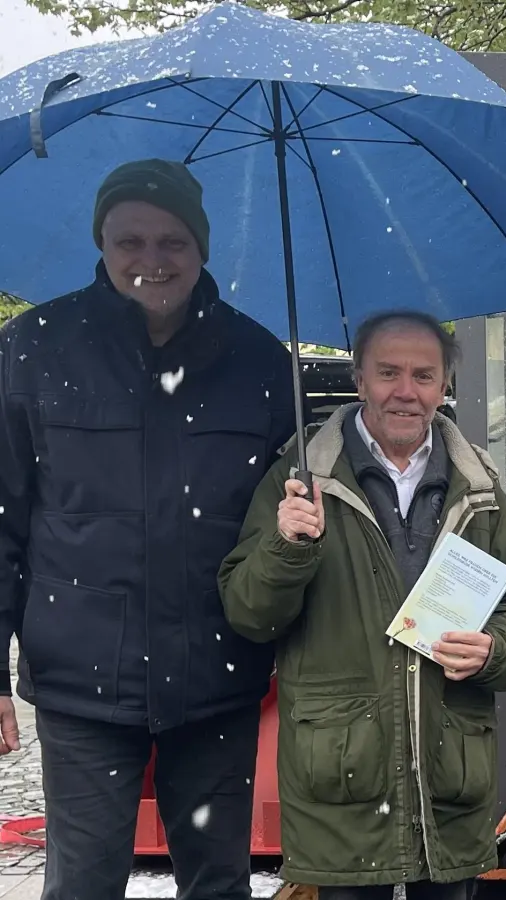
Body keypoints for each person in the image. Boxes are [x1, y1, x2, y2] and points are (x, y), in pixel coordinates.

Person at [0, 158, 296, 900]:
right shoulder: (33, 349)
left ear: (201, 247)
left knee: (219, 885)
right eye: (129, 240)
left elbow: (283, 535)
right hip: (82, 680)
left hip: (218, 675)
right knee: (82, 886)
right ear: (100, 243)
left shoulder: (261, 362)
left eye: (172, 241)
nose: (151, 260)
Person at [218, 310, 506, 899]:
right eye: (388, 372)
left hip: (450, 784)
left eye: (424, 375)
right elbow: (249, 613)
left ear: (445, 384)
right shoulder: (301, 479)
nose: (405, 391)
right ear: (359, 379)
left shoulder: (479, 487)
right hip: (341, 780)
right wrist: (286, 547)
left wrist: (494, 649)